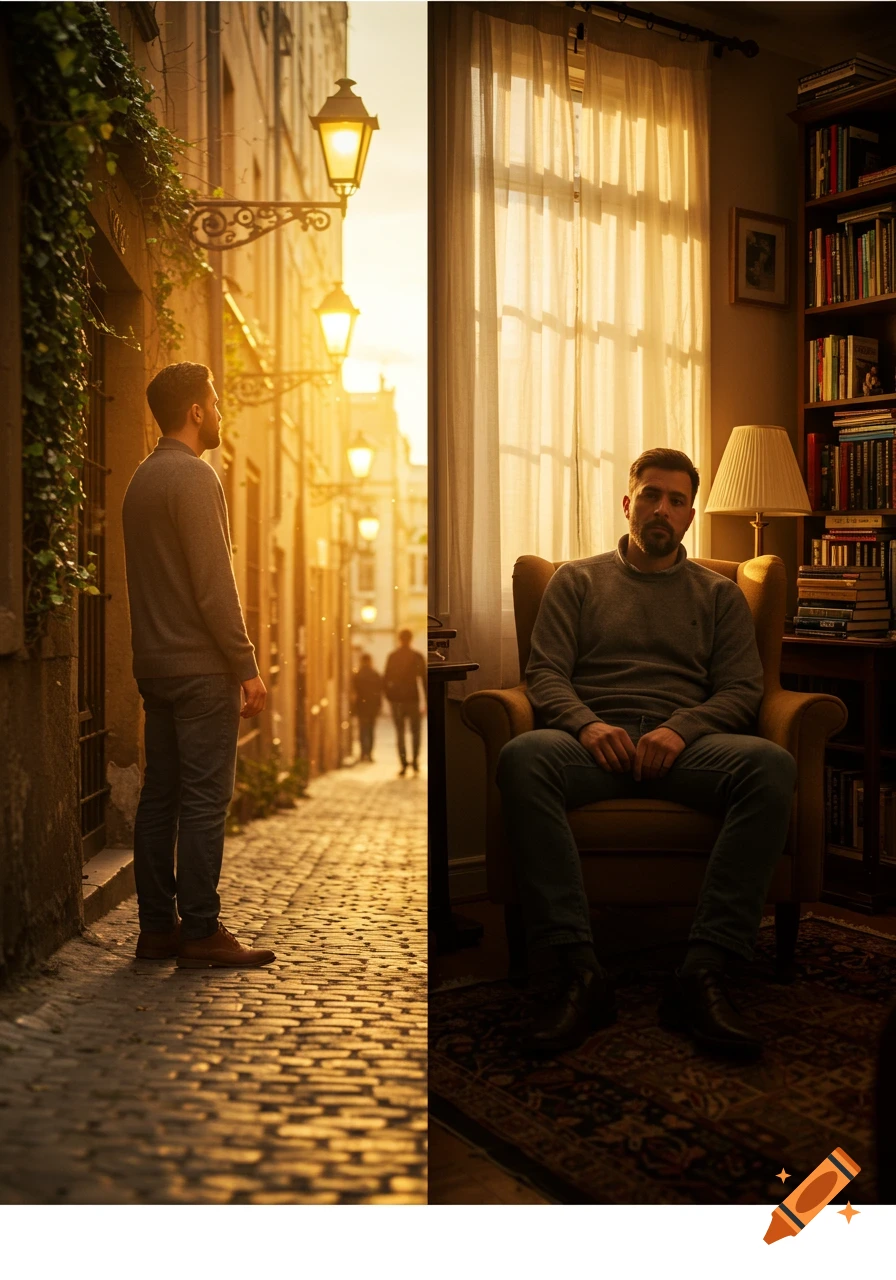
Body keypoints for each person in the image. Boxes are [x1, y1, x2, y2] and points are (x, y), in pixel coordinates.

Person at [496, 447, 796, 1061]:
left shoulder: (719, 595)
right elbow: (545, 674)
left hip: (685, 752)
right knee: (523, 758)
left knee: (771, 766)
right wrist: (587, 725)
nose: (662, 508)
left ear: (689, 516)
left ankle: (703, 969)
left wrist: (682, 730)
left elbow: (743, 688)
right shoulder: (574, 581)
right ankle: (581, 969)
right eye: (651, 496)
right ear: (629, 503)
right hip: (592, 748)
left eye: (677, 500)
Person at [122, 361, 275, 969]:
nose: (220, 410)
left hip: (154, 667)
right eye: (215, 400)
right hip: (201, 670)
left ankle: (157, 929)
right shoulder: (194, 478)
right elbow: (215, 588)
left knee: (160, 796)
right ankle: (202, 931)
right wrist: (247, 666)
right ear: (196, 411)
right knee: (207, 799)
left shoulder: (140, 480)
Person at [384, 629, 427, 776]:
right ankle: (414, 762)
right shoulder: (417, 657)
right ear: (411, 639)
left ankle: (403, 764)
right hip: (412, 699)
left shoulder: (393, 657)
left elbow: (386, 679)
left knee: (400, 733)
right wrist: (426, 700)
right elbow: (424, 680)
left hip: (397, 701)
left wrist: (390, 698)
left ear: (399, 639)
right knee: (416, 732)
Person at [352, 653, 383, 762]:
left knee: (363, 730)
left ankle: (363, 753)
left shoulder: (358, 675)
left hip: (362, 706)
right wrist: (379, 706)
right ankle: (369, 754)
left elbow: (354, 692)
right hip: (372, 706)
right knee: (370, 730)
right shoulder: (375, 674)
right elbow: (380, 691)